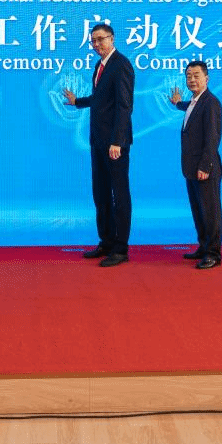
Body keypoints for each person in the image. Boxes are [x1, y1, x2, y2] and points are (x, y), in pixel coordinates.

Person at [62, 22, 135, 267]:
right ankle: (106, 241)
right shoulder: (100, 66)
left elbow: (124, 106)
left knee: (119, 195)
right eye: (93, 41)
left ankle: (121, 248)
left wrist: (117, 141)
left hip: (114, 144)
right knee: (101, 193)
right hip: (98, 141)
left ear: (112, 39)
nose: (96, 44)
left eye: (100, 39)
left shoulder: (121, 64)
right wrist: (77, 102)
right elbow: (101, 99)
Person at [168, 61, 222, 269]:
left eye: (196, 76)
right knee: (198, 211)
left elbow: (212, 138)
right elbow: (190, 109)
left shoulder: (211, 103)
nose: (192, 80)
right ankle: (203, 246)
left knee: (210, 213)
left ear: (206, 79)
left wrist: (205, 166)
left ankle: (213, 254)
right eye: (188, 76)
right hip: (191, 167)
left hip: (205, 168)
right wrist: (177, 103)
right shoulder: (194, 101)